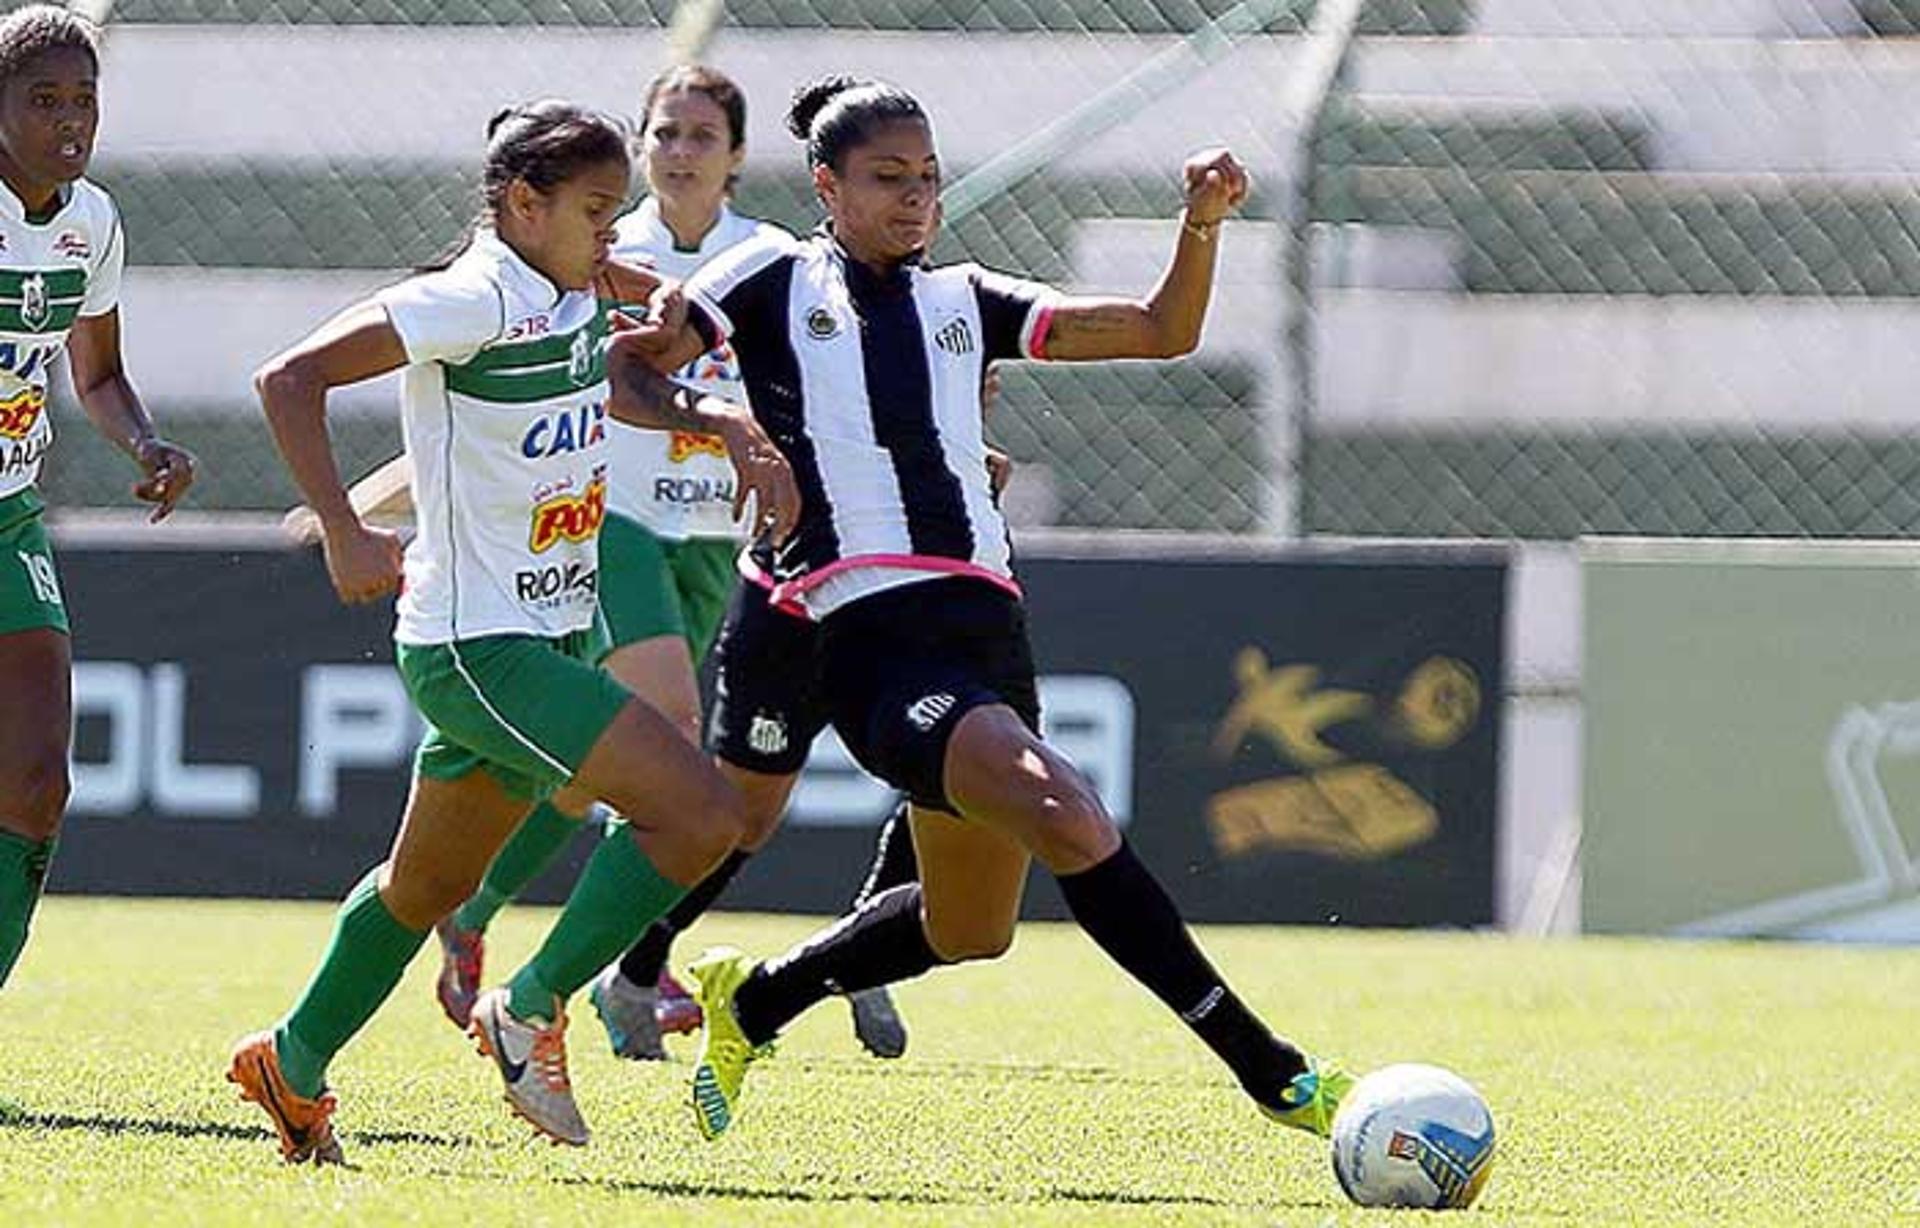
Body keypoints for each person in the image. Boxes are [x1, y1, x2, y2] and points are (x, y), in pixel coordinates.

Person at [646, 75, 1354, 1143]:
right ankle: (1275, 1073)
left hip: (986, 633)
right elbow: (633, 366)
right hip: (870, 634)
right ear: (827, 187)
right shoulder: (768, 278)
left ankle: (755, 1001)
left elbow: (1164, 330)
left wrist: (1199, 225)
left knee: (970, 929)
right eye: (888, 179)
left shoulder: (964, 301)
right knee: (1070, 815)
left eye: (928, 178)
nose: (916, 198)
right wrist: (725, 424)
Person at [229, 99, 799, 1165]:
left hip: (537, 637)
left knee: (421, 890)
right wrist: (349, 530)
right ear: (524, 204)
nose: (611, 233)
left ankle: (291, 1063)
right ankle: (531, 1006)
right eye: (595, 211)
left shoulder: (563, 284)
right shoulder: (471, 296)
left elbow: (610, 379)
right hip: (481, 649)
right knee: (704, 815)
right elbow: (288, 378)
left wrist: (713, 415)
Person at [431, 64, 917, 1065]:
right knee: (674, 745)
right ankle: (617, 980)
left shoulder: (771, 259)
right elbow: (503, 391)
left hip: (720, 540)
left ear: (738, 156)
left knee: (585, 778)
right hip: (615, 523)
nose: (681, 151)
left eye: (703, 134)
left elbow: (839, 380)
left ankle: (478, 908)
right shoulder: (603, 248)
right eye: (666, 132)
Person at [0, 5, 196, 991]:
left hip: (8, 513)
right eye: (42, 100)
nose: (69, 121)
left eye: (84, 100)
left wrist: (145, 440)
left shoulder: (92, 221)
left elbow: (100, 374)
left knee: (36, 783)